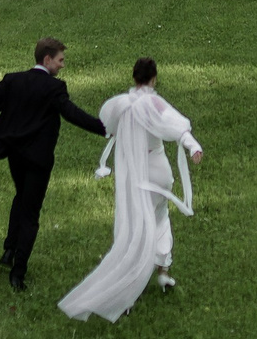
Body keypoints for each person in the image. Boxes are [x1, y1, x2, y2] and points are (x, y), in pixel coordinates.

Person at [59, 56, 204, 323]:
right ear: (154, 78)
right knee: (160, 217)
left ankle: (128, 290)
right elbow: (178, 128)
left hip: (135, 174)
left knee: (136, 227)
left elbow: (108, 128)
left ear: (134, 77)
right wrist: (193, 146)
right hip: (158, 171)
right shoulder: (155, 104)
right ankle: (162, 269)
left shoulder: (121, 105)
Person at [0, 36, 106, 292]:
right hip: (38, 159)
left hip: (15, 156)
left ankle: (9, 249)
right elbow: (72, 114)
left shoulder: (13, 80)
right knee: (31, 213)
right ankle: (18, 272)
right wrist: (104, 128)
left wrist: (10, 99)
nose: (62, 65)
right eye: (60, 60)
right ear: (47, 59)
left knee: (21, 196)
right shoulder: (54, 88)